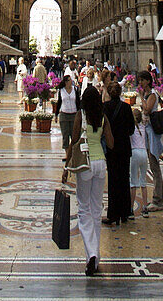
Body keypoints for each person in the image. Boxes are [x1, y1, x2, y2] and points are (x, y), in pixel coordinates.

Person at [63, 84, 114, 276]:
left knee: (84, 209)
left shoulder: (80, 116)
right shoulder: (102, 117)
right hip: (101, 163)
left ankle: (92, 254)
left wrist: (66, 166)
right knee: (96, 209)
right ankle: (95, 255)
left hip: (85, 165)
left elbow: (73, 140)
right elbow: (111, 143)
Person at [103, 78, 134, 226]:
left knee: (113, 180)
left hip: (111, 148)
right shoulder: (127, 108)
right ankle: (125, 213)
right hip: (124, 148)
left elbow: (102, 129)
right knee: (124, 178)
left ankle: (113, 214)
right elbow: (131, 129)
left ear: (109, 93)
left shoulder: (105, 107)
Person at [137, 70, 163, 211]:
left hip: (153, 133)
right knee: (154, 165)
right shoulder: (149, 94)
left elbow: (147, 110)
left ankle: (157, 200)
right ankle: (161, 198)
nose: (140, 83)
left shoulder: (152, 94)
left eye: (142, 80)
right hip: (148, 132)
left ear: (148, 81)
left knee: (154, 166)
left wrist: (141, 98)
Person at [130, 106, 149, 217]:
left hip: (134, 153)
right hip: (143, 153)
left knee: (133, 182)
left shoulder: (131, 128)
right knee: (143, 181)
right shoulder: (143, 127)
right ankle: (145, 207)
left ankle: (131, 209)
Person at [55, 73, 79, 157]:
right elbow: (59, 102)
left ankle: (73, 154)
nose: (70, 82)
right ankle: (67, 155)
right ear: (65, 82)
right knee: (65, 135)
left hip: (74, 115)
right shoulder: (61, 90)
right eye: (69, 80)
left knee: (74, 135)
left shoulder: (75, 89)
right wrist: (56, 114)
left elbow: (78, 102)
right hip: (64, 115)